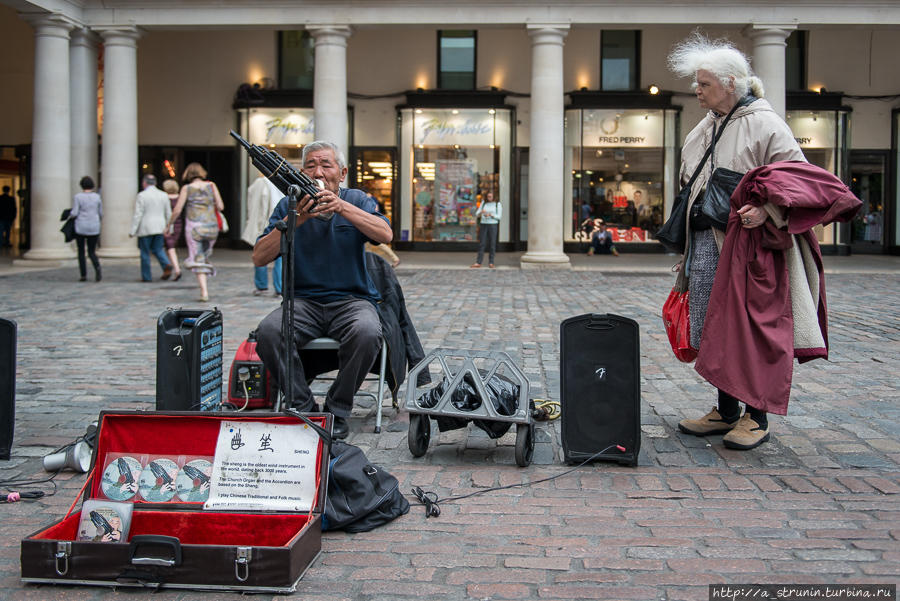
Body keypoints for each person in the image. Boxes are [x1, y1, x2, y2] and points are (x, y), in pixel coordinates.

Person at [668, 33, 807, 450]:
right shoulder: (705, 127)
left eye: (705, 83)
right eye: (697, 82)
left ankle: (757, 416)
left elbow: (799, 180)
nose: (697, 90)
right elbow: (689, 186)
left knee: (749, 331)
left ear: (731, 83)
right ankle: (726, 409)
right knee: (713, 328)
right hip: (708, 245)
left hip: (750, 250)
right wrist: (687, 253)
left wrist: (768, 210)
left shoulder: (765, 124)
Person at [252, 140, 392, 440]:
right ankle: (304, 408)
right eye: (311, 165)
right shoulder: (288, 204)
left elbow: (385, 234)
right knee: (268, 332)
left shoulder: (356, 198)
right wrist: (297, 219)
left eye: (326, 165)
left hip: (352, 300)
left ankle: (337, 408)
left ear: (341, 173)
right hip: (302, 302)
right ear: (301, 171)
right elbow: (259, 256)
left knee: (368, 332)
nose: (318, 171)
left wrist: (342, 207)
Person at [166, 163, 224, 302]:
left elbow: (177, 210)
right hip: (211, 226)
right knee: (203, 256)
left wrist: (169, 225)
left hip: (195, 227)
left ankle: (204, 291)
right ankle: (205, 269)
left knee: (198, 258)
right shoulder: (211, 186)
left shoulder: (187, 188)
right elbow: (221, 206)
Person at [243, 174, 283, 296]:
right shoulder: (276, 183)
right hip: (275, 220)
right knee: (279, 255)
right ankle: (279, 287)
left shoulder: (260, 183)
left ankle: (262, 286)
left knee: (262, 249)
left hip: (264, 221)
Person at [129, 174, 173, 282]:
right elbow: (168, 213)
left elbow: (138, 214)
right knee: (158, 249)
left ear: (144, 183)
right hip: (159, 226)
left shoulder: (142, 195)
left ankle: (147, 277)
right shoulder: (163, 195)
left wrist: (133, 230)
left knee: (145, 253)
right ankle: (166, 263)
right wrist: (169, 227)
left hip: (146, 227)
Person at [71, 175, 102, 282]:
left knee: (81, 251)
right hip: (94, 226)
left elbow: (75, 212)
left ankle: (83, 274)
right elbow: (100, 212)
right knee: (92, 251)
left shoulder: (78, 197)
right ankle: (97, 267)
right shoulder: (97, 197)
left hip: (81, 226)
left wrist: (69, 215)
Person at [470, 190, 501, 268]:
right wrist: (481, 212)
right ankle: (478, 262)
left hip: (493, 225)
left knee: (492, 244)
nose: (489, 198)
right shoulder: (483, 203)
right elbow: (477, 213)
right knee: (482, 243)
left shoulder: (497, 204)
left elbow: (499, 217)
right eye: (488, 196)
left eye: (490, 196)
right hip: (484, 224)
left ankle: (491, 262)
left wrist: (491, 215)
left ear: (494, 196)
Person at [162, 178, 183, 281]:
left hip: (168, 224)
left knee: (170, 248)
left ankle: (176, 269)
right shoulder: (180, 197)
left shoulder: (164, 197)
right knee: (170, 247)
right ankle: (168, 269)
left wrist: (168, 225)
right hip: (178, 224)